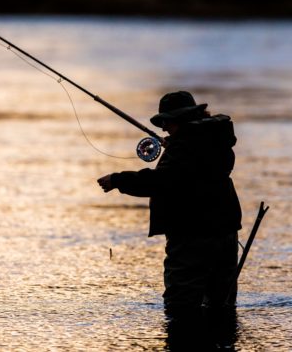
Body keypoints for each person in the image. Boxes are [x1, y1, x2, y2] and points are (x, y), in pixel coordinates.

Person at [97, 91, 242, 318]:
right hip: (225, 231)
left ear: (180, 119)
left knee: (181, 307)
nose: (163, 128)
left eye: (166, 122)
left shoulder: (187, 147)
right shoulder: (213, 139)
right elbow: (193, 168)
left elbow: (161, 181)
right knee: (220, 303)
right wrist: (177, 144)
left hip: (192, 234)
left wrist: (118, 180)